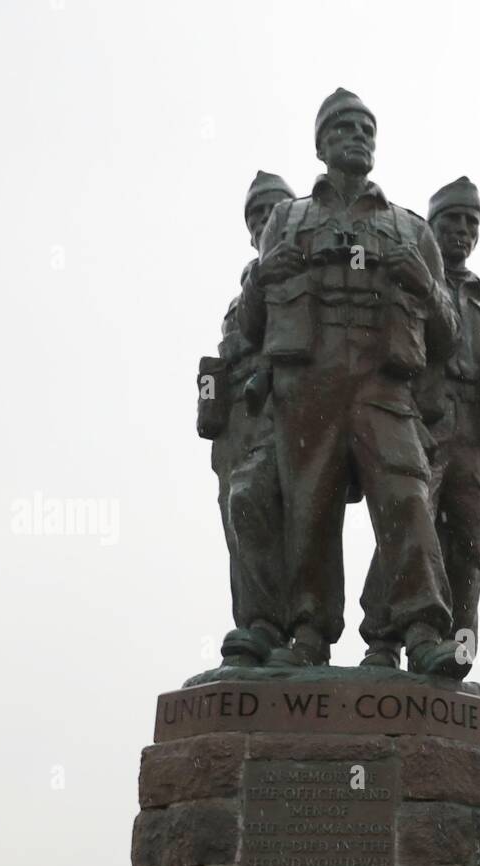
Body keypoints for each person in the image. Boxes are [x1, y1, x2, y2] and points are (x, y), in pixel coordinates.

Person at [237, 88, 465, 676]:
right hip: (307, 384)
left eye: (366, 129)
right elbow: (251, 329)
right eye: (343, 129)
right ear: (321, 145)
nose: (357, 137)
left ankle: (420, 630)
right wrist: (263, 278)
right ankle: (308, 631)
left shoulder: (411, 229)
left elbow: (447, 334)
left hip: (382, 384)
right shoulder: (286, 220)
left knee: (406, 498)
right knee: (308, 510)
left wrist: (426, 285)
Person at [359, 176, 480, 669]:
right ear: (431, 227)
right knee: (410, 526)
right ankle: (384, 642)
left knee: (470, 552)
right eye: (452, 221)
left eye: (471, 223)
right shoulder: (409, 286)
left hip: (476, 444)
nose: (462, 232)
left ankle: (460, 654)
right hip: (424, 428)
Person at [198, 170, 295, 667]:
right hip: (235, 421)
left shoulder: (298, 274)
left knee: (263, 509)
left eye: (272, 210)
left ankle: (279, 626)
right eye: (255, 215)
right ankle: (255, 628)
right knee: (237, 524)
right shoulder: (242, 291)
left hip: (282, 409)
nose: (264, 221)